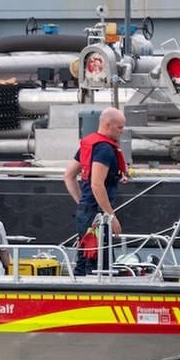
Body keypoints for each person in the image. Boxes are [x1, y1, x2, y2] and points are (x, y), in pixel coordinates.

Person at [63, 107, 128, 274]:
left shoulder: (90, 144)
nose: (122, 131)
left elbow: (69, 175)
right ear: (108, 125)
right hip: (97, 216)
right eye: (119, 127)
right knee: (97, 265)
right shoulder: (105, 149)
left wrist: (82, 204)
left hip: (86, 212)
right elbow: (97, 184)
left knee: (85, 259)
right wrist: (110, 216)